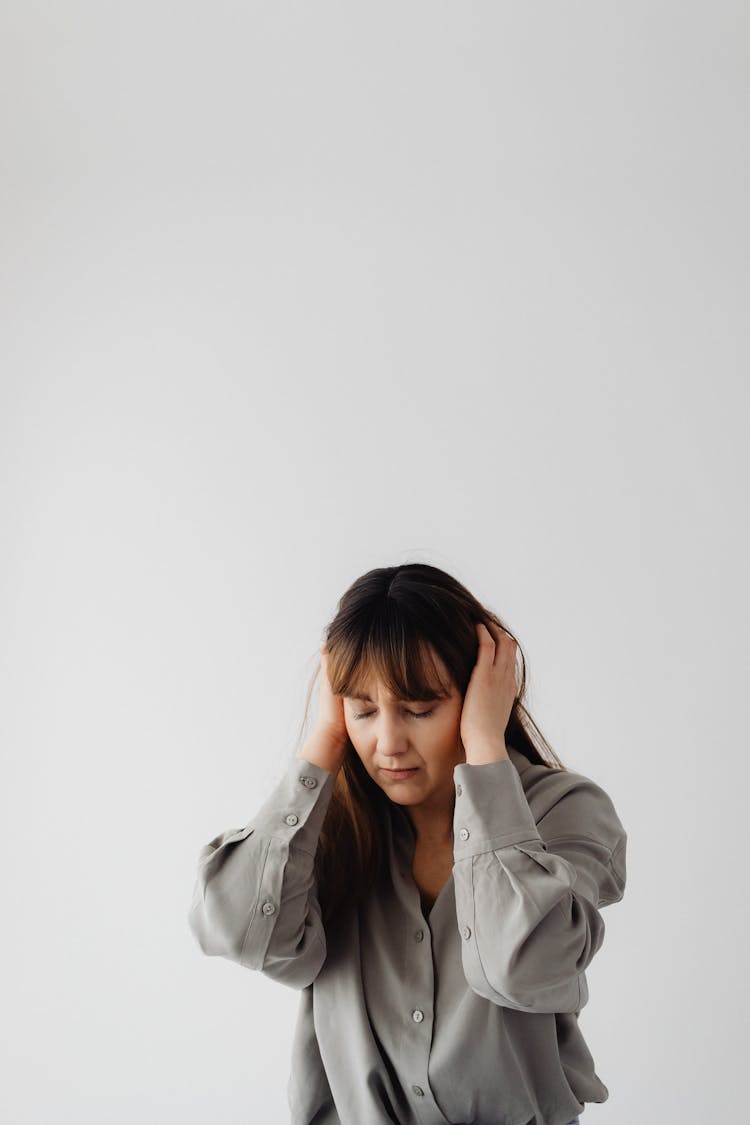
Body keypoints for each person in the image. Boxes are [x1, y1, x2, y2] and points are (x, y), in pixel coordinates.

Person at [187, 563, 627, 1125]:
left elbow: (526, 968)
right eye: (363, 709)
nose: (387, 743)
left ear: (476, 696)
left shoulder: (564, 811)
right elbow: (235, 931)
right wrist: (323, 740)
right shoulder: (327, 826)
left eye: (419, 709)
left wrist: (485, 747)